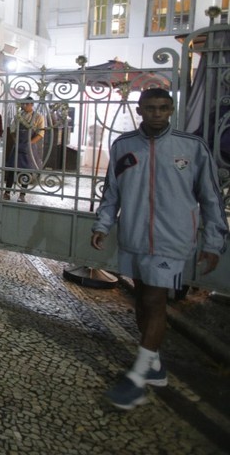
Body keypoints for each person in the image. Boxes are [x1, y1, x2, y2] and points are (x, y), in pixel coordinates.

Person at [91, 88, 227, 411]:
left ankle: (136, 380)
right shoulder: (123, 146)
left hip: (172, 241)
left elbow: (211, 198)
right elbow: (112, 193)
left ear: (171, 110)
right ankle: (155, 366)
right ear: (139, 110)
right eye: (150, 108)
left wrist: (213, 242)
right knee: (142, 302)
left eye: (163, 108)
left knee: (154, 299)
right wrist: (102, 225)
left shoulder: (192, 148)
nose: (156, 114)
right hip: (134, 238)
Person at [2, 96, 44, 202]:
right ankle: (7, 193)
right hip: (17, 145)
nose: (23, 106)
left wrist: (30, 143)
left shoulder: (38, 117)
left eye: (26, 104)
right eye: (22, 104)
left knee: (26, 171)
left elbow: (40, 133)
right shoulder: (18, 116)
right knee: (12, 169)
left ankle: (22, 195)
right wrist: (15, 140)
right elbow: (12, 130)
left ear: (31, 105)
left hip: (29, 147)